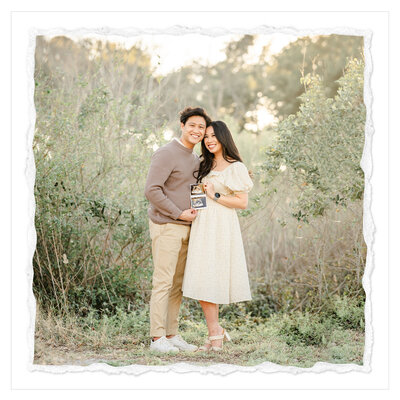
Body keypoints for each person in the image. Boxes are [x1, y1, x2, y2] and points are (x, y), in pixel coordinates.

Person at [144, 106, 212, 353]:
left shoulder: (195, 159)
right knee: (163, 282)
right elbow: (152, 190)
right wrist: (178, 213)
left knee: (177, 285)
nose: (196, 130)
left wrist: (199, 216)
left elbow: (195, 192)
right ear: (182, 125)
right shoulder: (166, 153)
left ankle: (171, 335)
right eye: (192, 125)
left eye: (201, 128)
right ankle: (156, 339)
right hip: (166, 226)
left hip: (188, 228)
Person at [182, 120, 253, 351]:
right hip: (202, 224)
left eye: (214, 136)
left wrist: (215, 196)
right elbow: (198, 195)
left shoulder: (235, 167)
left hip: (222, 227)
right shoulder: (204, 165)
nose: (209, 140)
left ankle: (215, 336)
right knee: (203, 277)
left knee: (214, 276)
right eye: (206, 137)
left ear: (223, 138)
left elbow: (242, 202)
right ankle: (216, 332)